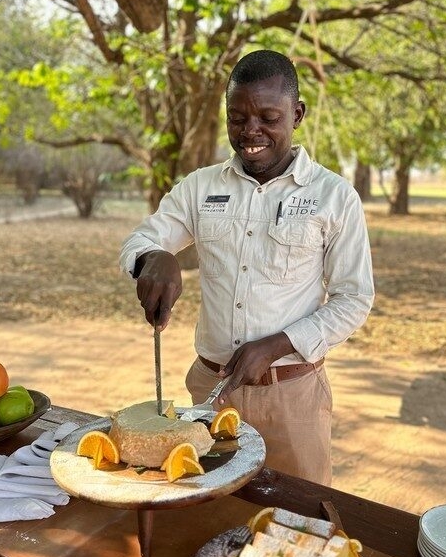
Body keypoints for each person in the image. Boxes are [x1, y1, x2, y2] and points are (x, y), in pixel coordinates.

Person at [120, 49, 374, 486]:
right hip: (210, 395)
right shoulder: (201, 187)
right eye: (237, 118)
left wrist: (276, 344)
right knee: (206, 513)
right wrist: (152, 257)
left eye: (268, 118)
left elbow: (354, 299)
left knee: (299, 517)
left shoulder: (334, 197)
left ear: (297, 114)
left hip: (292, 396)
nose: (250, 131)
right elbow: (141, 240)